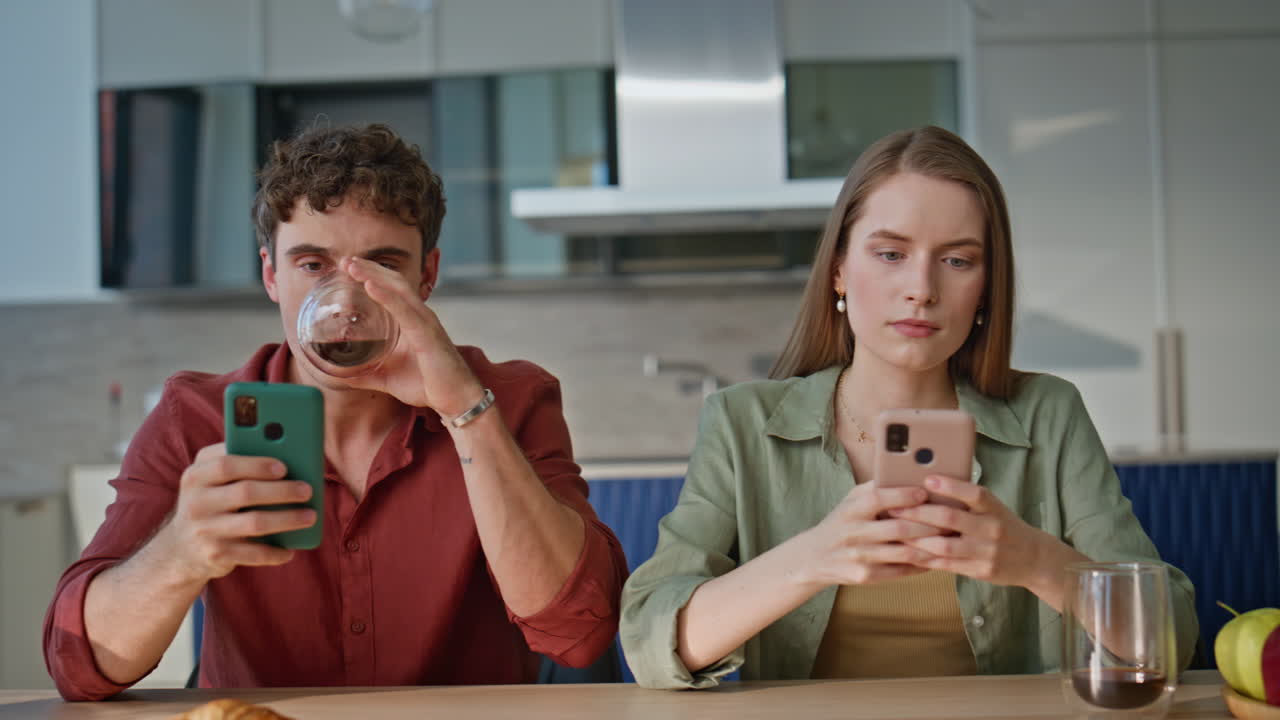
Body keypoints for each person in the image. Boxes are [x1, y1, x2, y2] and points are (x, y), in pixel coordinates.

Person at [44, 123, 627, 700]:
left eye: (381, 267)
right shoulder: (194, 417)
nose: (345, 304)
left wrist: (465, 412)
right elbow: (77, 666)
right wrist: (180, 553)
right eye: (313, 266)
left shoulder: (510, 400)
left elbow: (579, 636)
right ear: (272, 275)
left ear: (427, 275)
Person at [619, 126, 1198, 688]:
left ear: (986, 289)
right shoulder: (742, 423)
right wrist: (813, 557)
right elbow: (649, 640)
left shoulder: (1049, 413)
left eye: (957, 260)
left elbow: (1171, 637)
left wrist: (1033, 560)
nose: (921, 287)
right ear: (840, 271)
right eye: (891, 253)